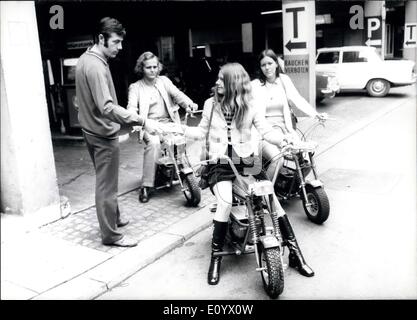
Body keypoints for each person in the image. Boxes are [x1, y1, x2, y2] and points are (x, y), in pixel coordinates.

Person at [184, 62, 314, 285]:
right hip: (220, 162)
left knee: (272, 201)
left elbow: (266, 130)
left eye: (221, 79)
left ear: (234, 84)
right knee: (225, 203)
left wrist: (286, 139)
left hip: (247, 160)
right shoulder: (210, 104)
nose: (216, 82)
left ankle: (295, 253)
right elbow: (200, 131)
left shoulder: (250, 105)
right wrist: (177, 129)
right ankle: (215, 257)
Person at [76, 17, 161, 247]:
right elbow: (106, 107)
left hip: (91, 130)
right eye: (116, 42)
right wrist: (140, 119)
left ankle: (116, 217)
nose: (120, 47)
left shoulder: (86, 58)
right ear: (101, 38)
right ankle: (111, 235)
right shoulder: (95, 66)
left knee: (107, 181)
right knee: (106, 186)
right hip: (102, 134)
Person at [127, 51, 198, 203]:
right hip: (149, 125)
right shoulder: (136, 87)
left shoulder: (164, 81)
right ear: (142, 68)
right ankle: (146, 185)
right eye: (148, 67)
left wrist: (189, 104)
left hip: (168, 122)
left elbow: (178, 95)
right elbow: (131, 108)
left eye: (155, 67)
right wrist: (135, 117)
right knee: (154, 144)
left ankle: (181, 171)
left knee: (181, 139)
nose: (153, 70)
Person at [251, 49, 327, 182]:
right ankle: (265, 195)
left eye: (270, 63)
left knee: (305, 159)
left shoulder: (284, 80)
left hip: (285, 130)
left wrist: (315, 114)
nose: (267, 67)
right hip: (264, 134)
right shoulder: (255, 85)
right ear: (260, 67)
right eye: (263, 65)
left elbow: (297, 99)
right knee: (277, 159)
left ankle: (293, 186)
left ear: (276, 63)